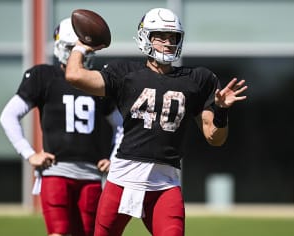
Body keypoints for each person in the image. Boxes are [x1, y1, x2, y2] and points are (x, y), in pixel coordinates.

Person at [65, 8, 248, 236]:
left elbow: (215, 137)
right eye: (161, 36)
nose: (168, 42)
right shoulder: (125, 72)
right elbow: (74, 76)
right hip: (122, 179)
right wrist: (81, 46)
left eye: (173, 37)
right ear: (146, 37)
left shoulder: (196, 79)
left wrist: (220, 110)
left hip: (164, 183)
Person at [0, 17, 123, 236]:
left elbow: (121, 126)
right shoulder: (44, 76)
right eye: (74, 48)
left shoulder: (96, 82)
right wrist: (29, 154)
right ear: (61, 47)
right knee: (59, 232)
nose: (81, 53)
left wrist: (114, 157)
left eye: (83, 49)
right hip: (56, 171)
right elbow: (9, 116)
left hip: (91, 175)